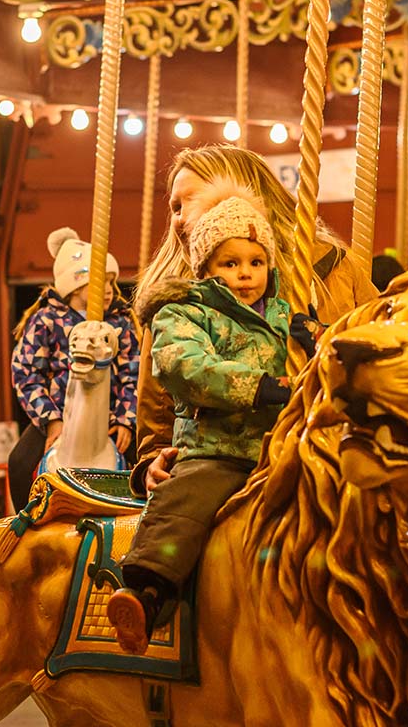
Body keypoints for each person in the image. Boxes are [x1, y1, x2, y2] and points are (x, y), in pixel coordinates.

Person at [132, 144, 378, 497]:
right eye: (174, 207)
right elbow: (159, 405)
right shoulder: (179, 299)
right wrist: (154, 460)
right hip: (219, 460)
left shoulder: (334, 269)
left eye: (192, 202)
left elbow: (374, 349)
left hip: (326, 454)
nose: (180, 219)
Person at [107, 194, 291, 654]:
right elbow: (184, 366)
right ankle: (146, 591)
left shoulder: (286, 317)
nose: (245, 273)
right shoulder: (185, 311)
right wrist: (263, 386)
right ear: (205, 268)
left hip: (281, 447)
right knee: (189, 498)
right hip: (219, 447)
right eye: (229, 263)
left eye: (256, 261)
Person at [7, 228, 139, 509]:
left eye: (110, 281)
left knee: (146, 462)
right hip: (57, 416)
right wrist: (50, 418)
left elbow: (133, 373)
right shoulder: (46, 321)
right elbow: (26, 372)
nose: (105, 289)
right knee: (19, 463)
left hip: (111, 418)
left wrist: (126, 418)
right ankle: (20, 525)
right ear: (73, 286)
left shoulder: (121, 323)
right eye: (96, 281)